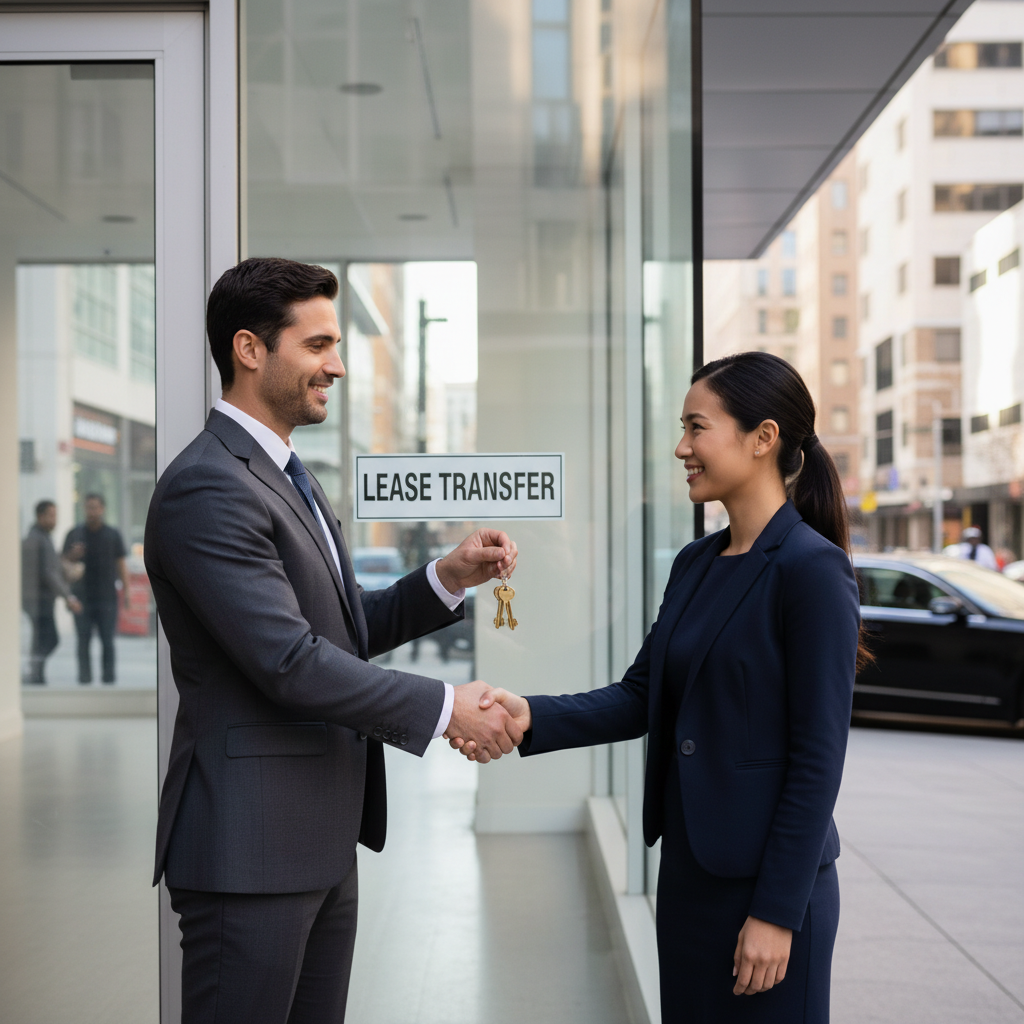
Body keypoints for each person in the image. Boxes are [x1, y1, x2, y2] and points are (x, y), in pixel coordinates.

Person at [146, 257, 522, 1024]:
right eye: (318, 345)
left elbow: (339, 630)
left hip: (318, 840)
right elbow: (290, 661)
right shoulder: (208, 485)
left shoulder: (287, 475)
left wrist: (445, 578)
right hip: (248, 852)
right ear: (250, 350)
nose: (338, 365)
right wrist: (450, 707)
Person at [450, 351, 865, 1023]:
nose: (682, 447)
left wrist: (776, 912)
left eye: (697, 427)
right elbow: (641, 694)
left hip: (768, 891)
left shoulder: (811, 571)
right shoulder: (697, 562)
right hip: (690, 878)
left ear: (763, 439)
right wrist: (528, 715)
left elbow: (819, 761)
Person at [62, 493, 131, 685]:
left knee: (107, 641)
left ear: (102, 509)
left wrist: (128, 592)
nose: (91, 511)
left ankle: (108, 680)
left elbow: (121, 565)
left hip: (106, 597)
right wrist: (72, 556)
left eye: (95, 507)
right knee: (83, 642)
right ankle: (84, 680)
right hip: (81, 597)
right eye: (88, 507)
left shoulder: (112, 534)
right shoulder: (75, 533)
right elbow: (62, 564)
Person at [22, 500, 81, 684]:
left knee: (41, 639)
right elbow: (49, 573)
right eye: (51, 515)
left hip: (38, 598)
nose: (54, 520)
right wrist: (68, 596)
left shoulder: (41, 537)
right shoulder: (38, 538)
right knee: (49, 639)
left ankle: (35, 674)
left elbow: (50, 568)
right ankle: (33, 672)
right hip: (38, 599)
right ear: (40, 516)